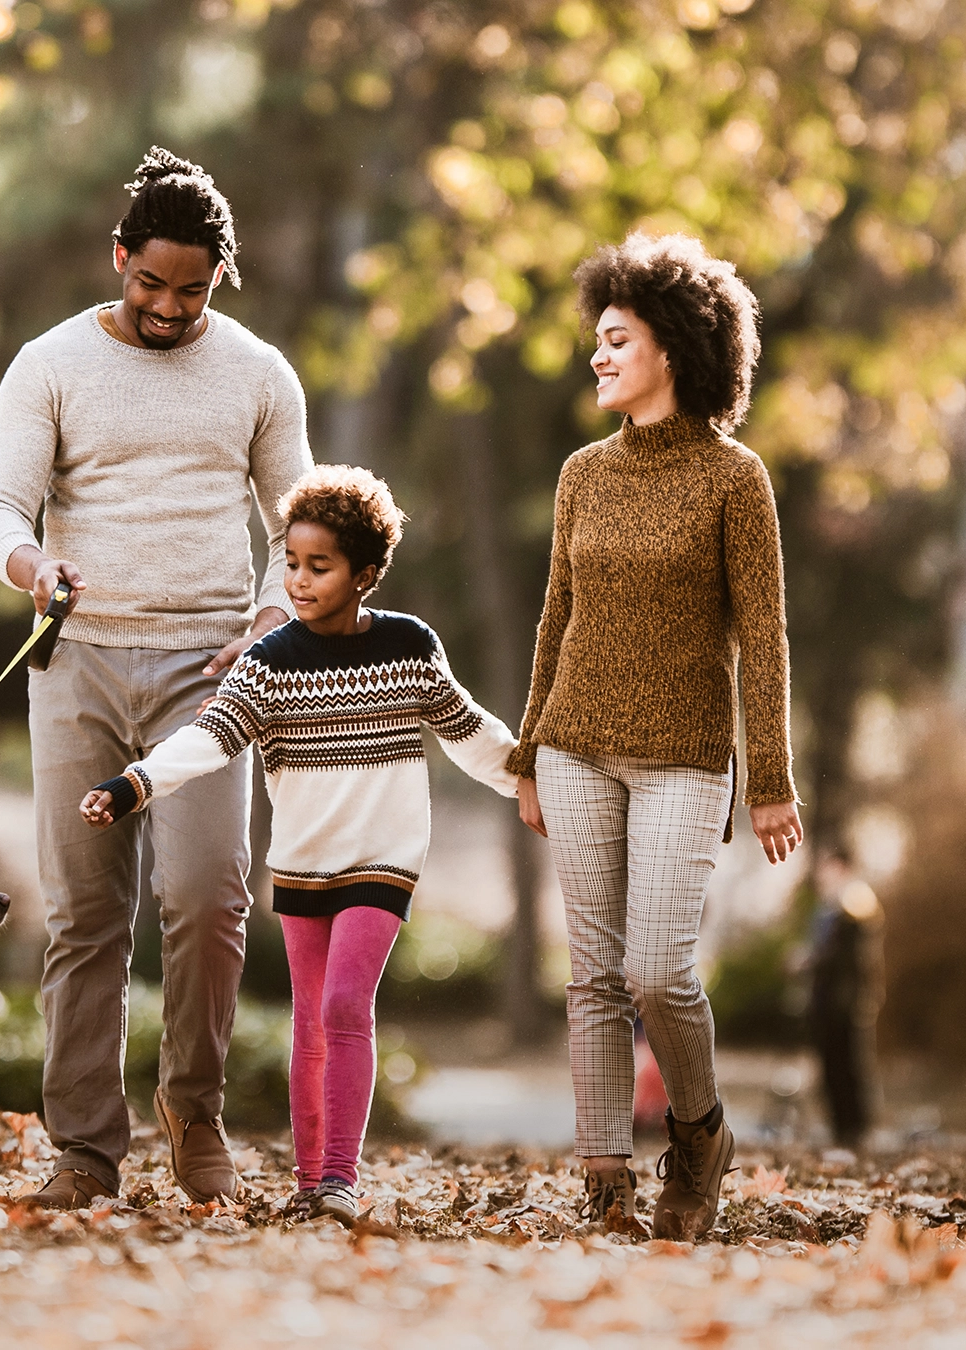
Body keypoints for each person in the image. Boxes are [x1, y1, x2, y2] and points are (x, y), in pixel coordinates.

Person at [0, 148, 313, 1208]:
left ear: (221, 278)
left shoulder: (257, 373)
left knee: (207, 898)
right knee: (83, 912)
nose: (166, 307)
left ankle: (195, 1109)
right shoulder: (50, 363)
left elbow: (298, 525)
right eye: (148, 283)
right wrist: (35, 567)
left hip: (208, 677)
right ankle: (83, 1146)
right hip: (76, 662)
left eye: (190, 291)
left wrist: (267, 619)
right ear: (117, 258)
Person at [79, 466, 521, 1225]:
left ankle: (340, 1180)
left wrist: (534, 781)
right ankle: (311, 1184)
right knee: (311, 1018)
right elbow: (209, 739)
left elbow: (470, 731)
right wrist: (134, 784)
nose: (300, 580)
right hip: (302, 862)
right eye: (290, 563)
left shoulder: (409, 646)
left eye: (320, 567)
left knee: (348, 1003)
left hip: (382, 859)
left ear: (366, 574)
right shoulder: (271, 661)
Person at [511, 233, 805, 1241]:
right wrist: (524, 754)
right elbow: (555, 618)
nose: (595, 358)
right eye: (595, 340)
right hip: (573, 746)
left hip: (684, 757)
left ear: (671, 348)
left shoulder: (733, 481)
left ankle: (697, 1131)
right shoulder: (581, 474)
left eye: (613, 340)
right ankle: (603, 1185)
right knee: (590, 975)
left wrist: (767, 777)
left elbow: (762, 639)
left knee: (656, 973)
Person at [806, 846, 883, 1149]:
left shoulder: (854, 900)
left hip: (846, 999)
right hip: (825, 999)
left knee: (848, 1064)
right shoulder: (828, 906)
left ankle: (856, 1128)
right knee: (830, 1064)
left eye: (828, 866)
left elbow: (846, 954)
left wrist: (809, 961)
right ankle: (840, 1127)